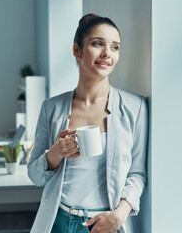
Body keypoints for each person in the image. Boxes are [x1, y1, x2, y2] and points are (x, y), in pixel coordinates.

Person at [27, 14, 148, 233]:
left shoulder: (135, 107)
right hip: (58, 222)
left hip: (105, 224)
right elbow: (35, 176)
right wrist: (55, 153)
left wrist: (119, 215)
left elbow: (137, 174)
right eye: (97, 44)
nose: (106, 54)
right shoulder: (51, 108)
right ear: (77, 50)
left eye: (114, 47)